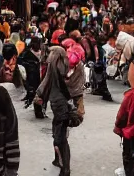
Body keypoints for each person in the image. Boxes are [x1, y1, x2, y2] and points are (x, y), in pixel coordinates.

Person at [35, 46, 76, 176]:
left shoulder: (60, 72)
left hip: (61, 107)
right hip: (58, 106)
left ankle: (66, 168)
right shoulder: (55, 70)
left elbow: (48, 83)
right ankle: (58, 161)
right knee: (57, 135)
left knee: (60, 138)